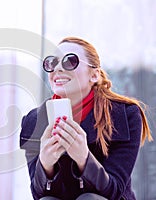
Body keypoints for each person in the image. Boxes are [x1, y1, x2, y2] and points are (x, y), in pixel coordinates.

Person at [19, 37, 153, 200]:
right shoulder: (34, 121)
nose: (58, 68)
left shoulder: (124, 115)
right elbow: (38, 194)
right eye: (52, 63)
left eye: (70, 61)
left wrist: (84, 158)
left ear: (94, 75)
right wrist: (45, 165)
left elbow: (115, 191)